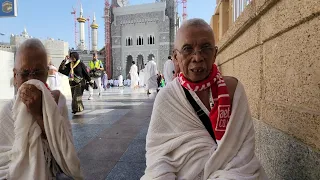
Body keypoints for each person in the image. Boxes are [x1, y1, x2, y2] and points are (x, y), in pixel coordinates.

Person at [141, 19, 267, 179]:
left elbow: (244, 153)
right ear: (175, 57)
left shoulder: (233, 89)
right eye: (187, 49)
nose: (197, 57)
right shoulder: (167, 97)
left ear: (215, 53)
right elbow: (157, 156)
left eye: (205, 48)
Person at [0, 39, 83, 179]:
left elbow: (64, 155)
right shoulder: (7, 112)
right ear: (15, 76)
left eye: (37, 72)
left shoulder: (57, 101)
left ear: (46, 73)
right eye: (25, 73)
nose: (31, 80)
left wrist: (39, 114)